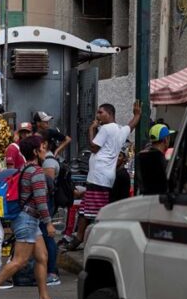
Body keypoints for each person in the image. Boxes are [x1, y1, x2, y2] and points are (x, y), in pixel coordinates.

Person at [0, 135, 55, 299]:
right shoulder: (36, 172)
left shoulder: (24, 169)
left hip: (27, 218)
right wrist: (48, 223)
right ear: (35, 151)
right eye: (42, 147)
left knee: (42, 256)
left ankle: (44, 298)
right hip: (27, 220)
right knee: (20, 260)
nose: (45, 150)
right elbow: (41, 201)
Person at [66, 101, 141, 251]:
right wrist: (137, 114)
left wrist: (91, 129)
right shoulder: (120, 129)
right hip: (104, 176)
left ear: (110, 114)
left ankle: (86, 239)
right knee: (86, 209)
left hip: (98, 176)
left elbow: (93, 147)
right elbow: (131, 126)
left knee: (91, 211)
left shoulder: (106, 129)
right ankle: (79, 238)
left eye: (101, 112)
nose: (98, 115)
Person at [39, 136, 61, 286]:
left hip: (46, 203)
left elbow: (47, 188)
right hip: (46, 203)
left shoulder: (48, 162)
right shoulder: (50, 160)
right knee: (46, 237)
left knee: (48, 236)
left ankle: (52, 272)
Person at [135, 123, 174, 195]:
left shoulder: (140, 156)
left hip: (144, 198)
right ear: (166, 139)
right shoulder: (163, 159)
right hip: (159, 200)